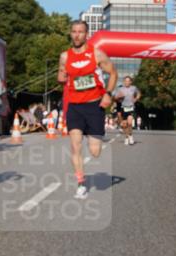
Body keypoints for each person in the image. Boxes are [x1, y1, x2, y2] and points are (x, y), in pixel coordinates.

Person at [58, 20, 117, 199]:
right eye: (74, 32)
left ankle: (94, 138)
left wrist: (108, 94)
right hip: (74, 106)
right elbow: (61, 75)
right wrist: (62, 77)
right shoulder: (65, 56)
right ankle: (81, 183)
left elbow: (113, 73)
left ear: (86, 34)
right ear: (70, 33)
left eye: (81, 32)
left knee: (94, 151)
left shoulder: (97, 54)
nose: (77, 35)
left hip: (94, 105)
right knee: (75, 146)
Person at [112, 76, 141, 145]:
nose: (127, 82)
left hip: (131, 107)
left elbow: (139, 93)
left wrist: (136, 99)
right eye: (125, 81)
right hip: (123, 108)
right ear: (124, 82)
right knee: (125, 125)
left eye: (128, 81)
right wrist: (118, 97)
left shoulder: (134, 88)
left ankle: (130, 136)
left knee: (130, 123)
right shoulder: (120, 89)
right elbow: (114, 97)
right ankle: (126, 137)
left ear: (131, 82)